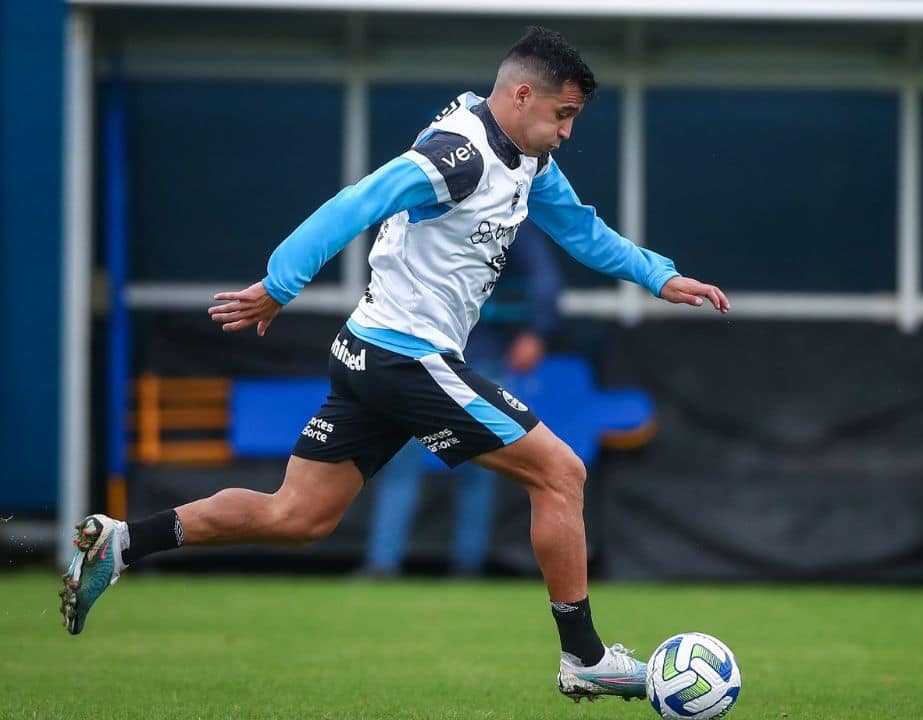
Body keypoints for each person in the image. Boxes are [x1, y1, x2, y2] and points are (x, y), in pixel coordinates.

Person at [59, 26, 730, 703]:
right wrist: (280, 284)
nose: (565, 133)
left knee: (297, 516)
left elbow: (580, 229)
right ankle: (583, 656)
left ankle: (122, 543)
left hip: (370, 351)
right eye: (564, 115)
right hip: (403, 356)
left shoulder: (526, 159)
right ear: (522, 95)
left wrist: (658, 277)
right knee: (561, 472)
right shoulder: (457, 154)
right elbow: (358, 201)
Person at [360, 222, 563, 578]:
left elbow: (545, 279)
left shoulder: (507, 214)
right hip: (415, 353)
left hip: (475, 355)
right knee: (402, 458)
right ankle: (383, 563)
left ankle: (465, 565)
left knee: (480, 464)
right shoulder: (419, 207)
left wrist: (537, 331)